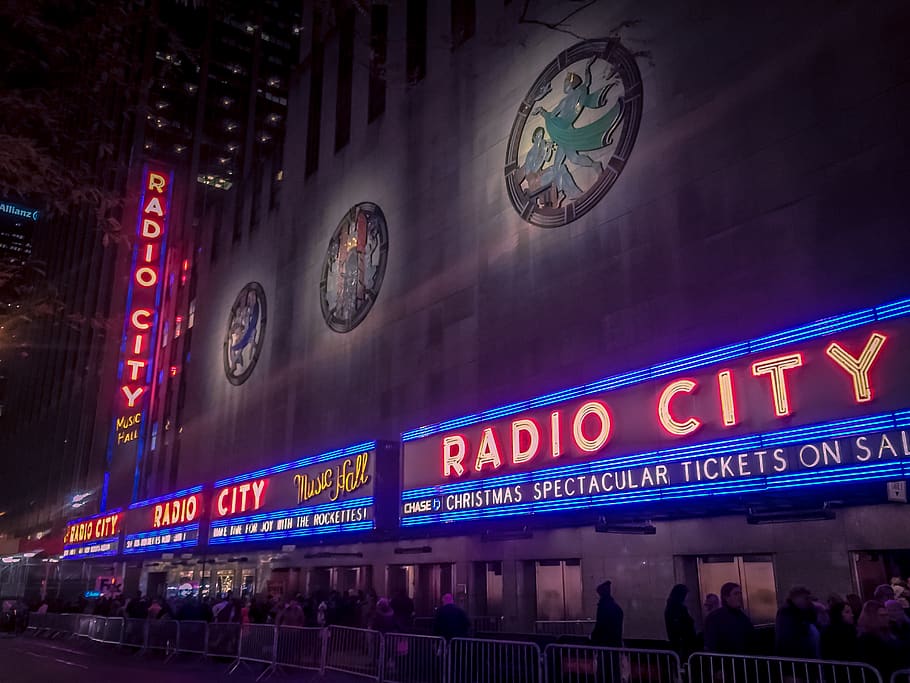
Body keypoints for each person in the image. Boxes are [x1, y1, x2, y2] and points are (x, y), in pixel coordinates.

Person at [704, 582, 754, 654]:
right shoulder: (714, 617)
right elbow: (711, 644)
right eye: (736, 594)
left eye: (740, 593)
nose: (739, 596)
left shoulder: (742, 617)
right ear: (726, 597)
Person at [856, 600, 903, 678]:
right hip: (882, 675)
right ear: (872, 617)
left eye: (887, 615)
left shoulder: (891, 631)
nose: (886, 618)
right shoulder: (867, 638)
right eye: (882, 616)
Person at [775, 586, 818, 659]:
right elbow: (789, 638)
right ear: (796, 598)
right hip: (794, 657)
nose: (808, 601)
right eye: (806, 598)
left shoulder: (800, 611)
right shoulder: (787, 612)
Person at [664, 584, 696, 658]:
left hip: (679, 643)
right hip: (684, 644)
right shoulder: (679, 609)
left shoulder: (670, 608)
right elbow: (682, 626)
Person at [591, 580, 623, 647]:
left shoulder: (602, 607)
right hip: (615, 642)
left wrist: (593, 636)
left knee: (604, 656)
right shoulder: (617, 608)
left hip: (604, 642)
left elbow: (600, 624)